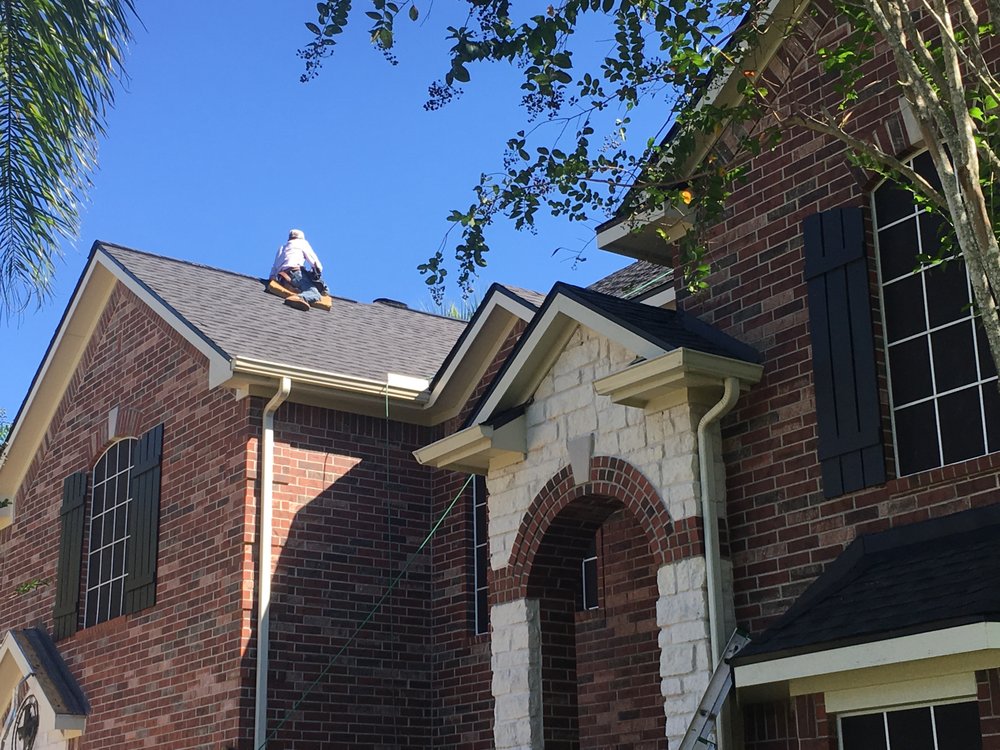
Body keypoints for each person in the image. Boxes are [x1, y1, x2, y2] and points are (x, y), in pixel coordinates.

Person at [270, 229, 328, 311]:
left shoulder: (282, 247)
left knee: (322, 287)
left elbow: (274, 269)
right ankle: (299, 297)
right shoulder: (302, 243)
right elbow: (314, 261)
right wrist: (317, 271)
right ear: (302, 238)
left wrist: (272, 280)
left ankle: (295, 288)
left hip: (282, 278)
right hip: (296, 273)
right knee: (316, 293)